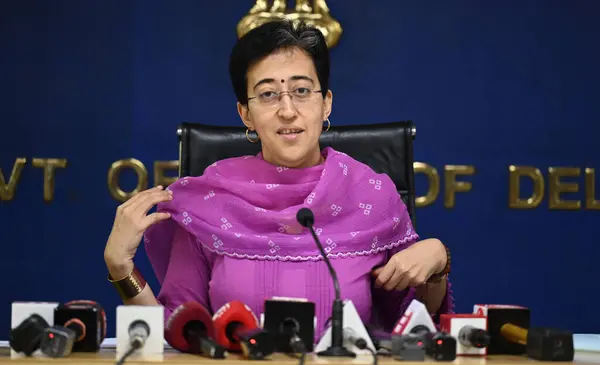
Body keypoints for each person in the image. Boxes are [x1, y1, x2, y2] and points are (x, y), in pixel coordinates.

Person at [103, 20, 453, 338]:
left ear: (326, 103)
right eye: (268, 94)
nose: (287, 110)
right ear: (246, 114)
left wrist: (437, 263)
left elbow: (417, 326)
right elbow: (176, 332)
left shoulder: (372, 196)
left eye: (302, 91)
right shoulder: (210, 202)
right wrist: (121, 268)